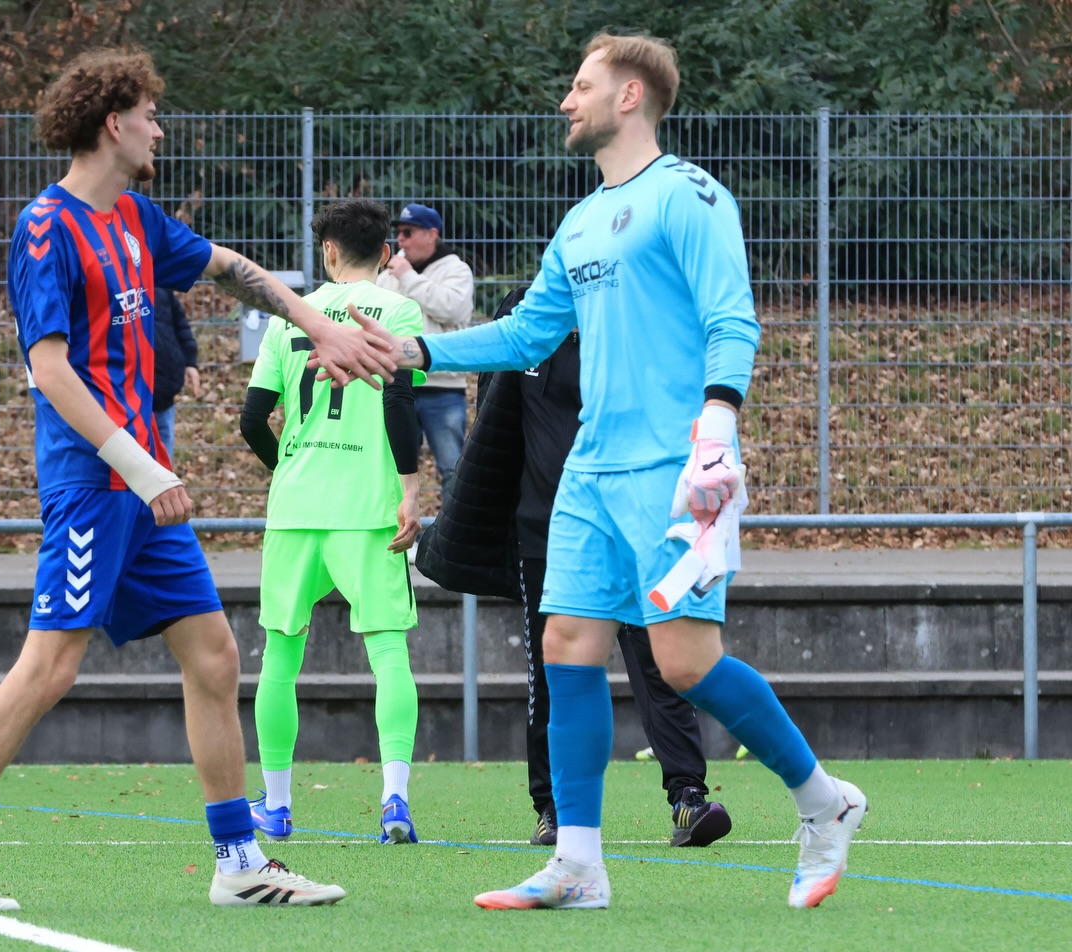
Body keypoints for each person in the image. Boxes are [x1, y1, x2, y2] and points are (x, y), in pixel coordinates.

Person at [0, 48, 396, 912]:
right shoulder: (45, 228)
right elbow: (50, 370)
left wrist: (319, 324)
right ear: (114, 122)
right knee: (50, 667)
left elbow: (228, 266)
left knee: (213, 655)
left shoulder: (135, 216)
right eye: (151, 116)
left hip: (143, 488)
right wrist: (141, 463)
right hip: (95, 484)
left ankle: (240, 862)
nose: (160, 130)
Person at [376, 32, 865, 912]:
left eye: (580, 85)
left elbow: (732, 319)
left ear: (630, 95)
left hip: (675, 470)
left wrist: (718, 426)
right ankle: (577, 864)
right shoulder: (580, 221)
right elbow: (528, 334)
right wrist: (416, 352)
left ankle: (824, 800)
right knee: (566, 645)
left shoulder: (689, 196)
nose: (566, 101)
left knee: (685, 663)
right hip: (590, 471)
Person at [417, 284, 731, 850]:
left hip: (633, 529)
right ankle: (552, 808)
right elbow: (494, 429)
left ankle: (688, 796)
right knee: (554, 674)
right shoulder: (526, 318)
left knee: (660, 663)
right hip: (548, 535)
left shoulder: (635, 322)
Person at [239, 198, 423, 845]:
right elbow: (401, 402)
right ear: (386, 253)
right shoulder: (398, 311)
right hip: (369, 507)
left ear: (328, 251)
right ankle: (394, 802)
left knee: (280, 655)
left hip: (297, 508)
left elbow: (252, 419)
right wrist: (411, 487)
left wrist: (287, 468)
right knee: (389, 652)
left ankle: (277, 806)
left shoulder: (290, 314)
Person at [374, 203, 473, 485]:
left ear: (432, 234)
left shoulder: (456, 270)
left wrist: (408, 277)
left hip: (443, 388)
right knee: (393, 470)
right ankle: (401, 515)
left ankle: (454, 518)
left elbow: (451, 310)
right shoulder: (388, 275)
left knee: (453, 471)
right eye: (398, 233)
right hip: (397, 385)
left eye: (408, 232)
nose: (400, 240)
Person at [151, 285, 200, 454]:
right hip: (131, 396)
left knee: (164, 450)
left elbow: (179, 323)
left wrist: (190, 361)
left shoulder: (160, 285)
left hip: (164, 392)